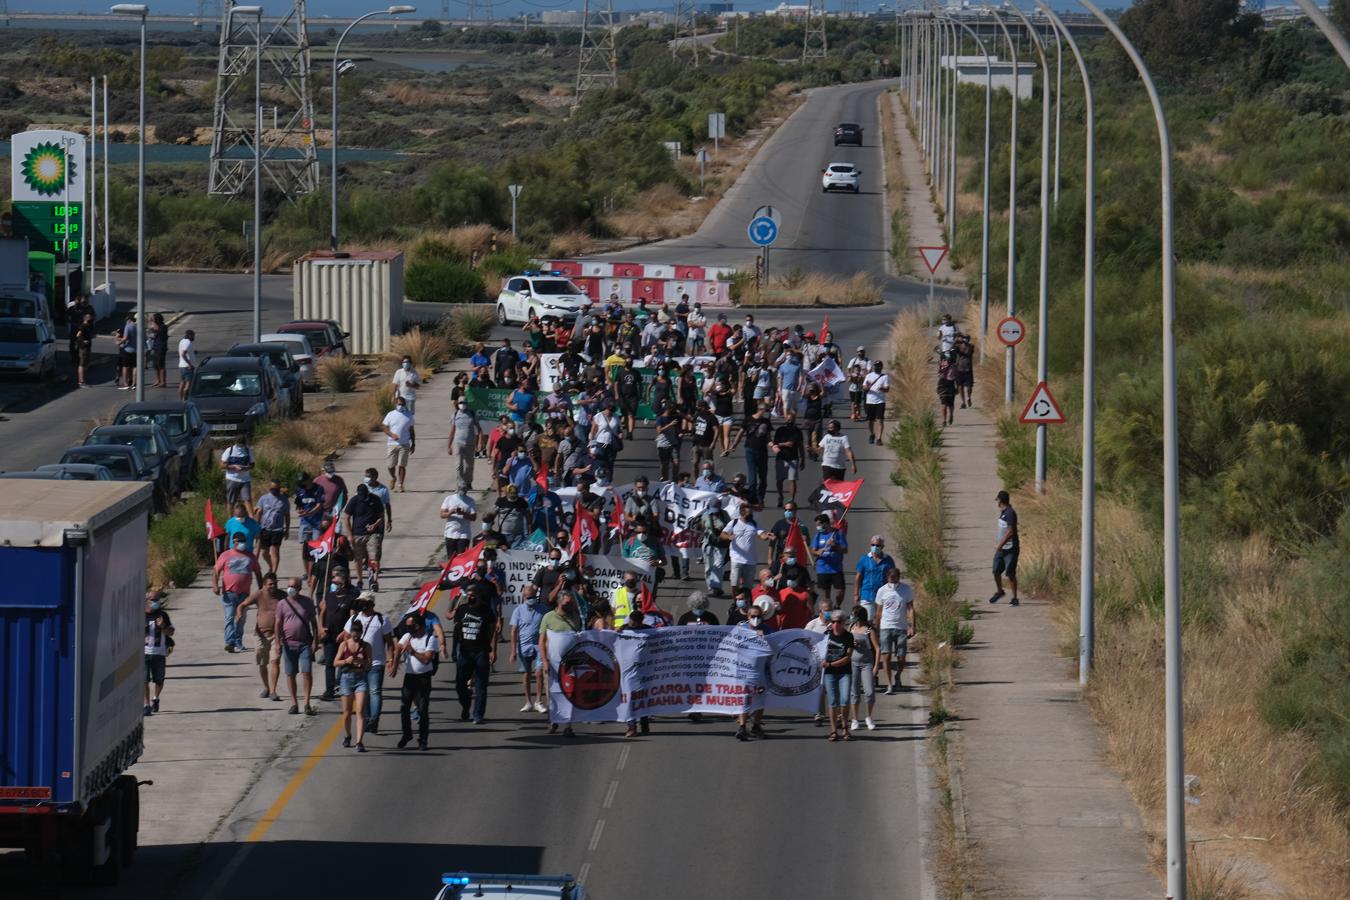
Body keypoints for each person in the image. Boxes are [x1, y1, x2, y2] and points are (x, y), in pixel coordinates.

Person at [343, 593, 394, 733]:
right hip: (358, 664)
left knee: (375, 691)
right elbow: (346, 638)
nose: (361, 605)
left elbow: (389, 642)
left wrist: (391, 660)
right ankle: (367, 718)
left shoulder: (381, 619)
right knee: (363, 693)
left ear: (371, 603)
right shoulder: (354, 618)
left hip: (376, 662)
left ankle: (373, 719)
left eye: (364, 602)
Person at [390, 613, 438, 750]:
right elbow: (398, 648)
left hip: (423, 678)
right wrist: (394, 664)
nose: (408, 628)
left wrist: (412, 651)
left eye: (410, 626)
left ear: (418, 626)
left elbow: (427, 659)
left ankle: (423, 739)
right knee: (404, 707)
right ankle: (407, 734)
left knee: (422, 709)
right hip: (409, 677)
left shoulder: (430, 639)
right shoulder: (407, 637)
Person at [540, 591, 584, 737]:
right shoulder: (548, 617)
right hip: (552, 664)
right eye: (567, 603)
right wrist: (545, 661)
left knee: (570, 693)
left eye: (571, 603)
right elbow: (541, 641)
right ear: (559, 602)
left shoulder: (575, 617)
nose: (569, 605)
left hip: (570, 665)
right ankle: (553, 721)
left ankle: (568, 725)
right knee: (552, 692)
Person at [274, 575, 319, 716]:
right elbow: (278, 623)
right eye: (289, 585)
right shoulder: (282, 604)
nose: (290, 588)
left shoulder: (307, 602)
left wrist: (315, 641)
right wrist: (277, 642)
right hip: (288, 644)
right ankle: (294, 703)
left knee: (307, 672)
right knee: (290, 674)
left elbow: (314, 624)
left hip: (305, 644)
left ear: (299, 588)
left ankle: (306, 703)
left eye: (293, 586)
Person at [235, 572, 283, 700]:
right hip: (260, 635)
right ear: (264, 585)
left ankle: (273, 691)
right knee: (262, 663)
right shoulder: (259, 594)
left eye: (275, 583)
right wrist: (239, 612)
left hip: (277, 635)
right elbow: (243, 604)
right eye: (270, 584)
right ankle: (266, 687)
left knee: (275, 661)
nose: (273, 586)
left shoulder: (282, 595)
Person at [212, 533, 263, 653]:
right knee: (229, 617)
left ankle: (238, 641)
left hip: (244, 594)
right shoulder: (226, 555)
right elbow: (215, 571)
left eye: (243, 541)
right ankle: (230, 642)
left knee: (241, 618)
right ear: (233, 542)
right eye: (239, 541)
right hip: (229, 593)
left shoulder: (251, 557)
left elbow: (258, 573)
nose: (242, 544)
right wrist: (215, 585)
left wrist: (262, 589)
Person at [454, 590, 497, 725]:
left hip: (481, 653)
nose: (471, 597)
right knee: (460, 684)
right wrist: (454, 650)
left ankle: (478, 714)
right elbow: (457, 630)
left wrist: (492, 650)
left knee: (481, 686)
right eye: (469, 595)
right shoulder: (462, 609)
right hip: (465, 653)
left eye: (474, 595)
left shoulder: (487, 611)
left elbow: (492, 630)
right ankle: (466, 705)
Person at [318, 569, 360, 701]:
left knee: (344, 663)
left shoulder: (350, 598)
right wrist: (321, 627)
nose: (333, 584)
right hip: (329, 636)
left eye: (336, 582)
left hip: (343, 637)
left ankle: (344, 688)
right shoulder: (329, 596)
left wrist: (345, 632)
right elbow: (322, 613)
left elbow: (352, 617)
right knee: (330, 663)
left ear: (342, 584)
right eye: (332, 582)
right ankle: (329, 690)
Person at [333, 614, 372, 752]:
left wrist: (363, 662)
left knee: (360, 711)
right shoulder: (344, 645)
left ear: (361, 633)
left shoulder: (366, 646)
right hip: (346, 678)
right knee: (347, 712)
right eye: (354, 632)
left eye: (358, 632)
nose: (356, 635)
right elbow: (335, 662)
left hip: (360, 678)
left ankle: (359, 741)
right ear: (351, 632)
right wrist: (346, 661)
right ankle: (348, 735)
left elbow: (369, 666)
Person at [733, 605, 771, 741]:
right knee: (743, 698)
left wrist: (764, 638)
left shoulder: (768, 631)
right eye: (753, 616)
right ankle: (742, 727)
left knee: (760, 700)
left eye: (758, 616)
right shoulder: (740, 630)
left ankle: (756, 725)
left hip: (760, 672)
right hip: (743, 672)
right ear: (748, 617)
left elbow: (775, 647)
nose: (756, 619)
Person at [875, 567, 915, 694]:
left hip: (901, 627)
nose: (893, 582)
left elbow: (911, 609)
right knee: (886, 657)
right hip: (886, 627)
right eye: (891, 579)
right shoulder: (882, 591)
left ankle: (898, 675)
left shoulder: (906, 590)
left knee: (901, 657)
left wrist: (912, 626)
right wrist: (876, 629)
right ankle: (889, 683)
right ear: (887, 578)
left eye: (895, 579)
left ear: (899, 577)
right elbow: (879, 612)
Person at [511, 587, 548, 714]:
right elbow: (514, 631)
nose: (531, 599)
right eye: (528, 597)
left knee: (539, 673)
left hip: (539, 646)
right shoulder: (518, 611)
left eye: (533, 597)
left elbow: (548, 627)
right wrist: (513, 651)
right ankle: (528, 702)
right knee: (527, 673)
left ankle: (538, 701)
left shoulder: (542, 609)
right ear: (523, 597)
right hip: (523, 646)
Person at [344, 483, 386, 591]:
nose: (363, 498)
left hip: (373, 534)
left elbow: (381, 516)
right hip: (357, 534)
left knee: (374, 557)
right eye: (361, 496)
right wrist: (349, 535)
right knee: (358, 559)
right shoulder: (354, 500)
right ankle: (359, 580)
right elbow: (346, 517)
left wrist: (375, 525)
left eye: (365, 496)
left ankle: (373, 581)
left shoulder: (375, 499)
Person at [721, 503, 774, 589]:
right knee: (734, 584)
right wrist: (728, 537)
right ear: (742, 513)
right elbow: (722, 534)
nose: (751, 515)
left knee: (748, 587)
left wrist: (767, 536)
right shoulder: (733, 523)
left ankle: (747, 601)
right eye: (749, 513)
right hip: (736, 559)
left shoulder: (754, 524)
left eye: (751, 513)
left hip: (750, 561)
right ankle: (735, 602)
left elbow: (762, 535)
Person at [822, 610, 855, 741]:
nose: (836, 624)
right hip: (830, 674)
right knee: (833, 702)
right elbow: (818, 651)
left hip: (844, 673)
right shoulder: (826, 635)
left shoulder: (848, 636)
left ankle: (845, 726)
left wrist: (830, 665)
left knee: (845, 700)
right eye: (833, 621)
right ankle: (833, 730)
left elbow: (847, 657)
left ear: (843, 623)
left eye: (838, 622)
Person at [848, 605, 880, 732]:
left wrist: (876, 665)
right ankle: (855, 719)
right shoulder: (851, 628)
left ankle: (868, 717)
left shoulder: (868, 630)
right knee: (854, 692)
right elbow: (846, 643)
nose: (851, 617)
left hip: (866, 663)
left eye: (854, 614)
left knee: (869, 691)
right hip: (853, 663)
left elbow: (877, 648)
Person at [853, 535, 896, 621]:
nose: (875, 547)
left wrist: (893, 592)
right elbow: (858, 577)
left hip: (883, 595)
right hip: (867, 594)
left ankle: (877, 634)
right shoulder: (864, 559)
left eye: (877, 545)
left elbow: (892, 576)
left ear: (882, 546)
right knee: (867, 619)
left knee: (882, 619)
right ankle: (869, 634)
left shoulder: (888, 560)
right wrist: (856, 594)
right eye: (873, 545)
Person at [144, 595, 174, 715]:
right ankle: (146, 705)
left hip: (159, 653)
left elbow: (171, 632)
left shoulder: (163, 615)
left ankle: (155, 699)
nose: (156, 602)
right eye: (153, 600)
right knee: (144, 680)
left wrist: (163, 626)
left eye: (157, 599)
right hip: (144, 653)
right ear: (147, 601)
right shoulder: (140, 615)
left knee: (159, 680)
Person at [811, 513, 848, 607]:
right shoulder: (818, 535)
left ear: (826, 524)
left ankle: (837, 606)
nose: (817, 527)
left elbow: (845, 550)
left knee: (840, 591)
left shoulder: (837, 533)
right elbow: (813, 551)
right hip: (823, 569)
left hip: (836, 569)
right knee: (825, 595)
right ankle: (828, 610)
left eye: (819, 524)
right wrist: (817, 552)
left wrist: (835, 546)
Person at [254, 478, 289, 575]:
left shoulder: (284, 500)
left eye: (277, 489)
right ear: (269, 488)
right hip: (265, 528)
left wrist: (287, 529)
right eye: (273, 488)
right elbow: (259, 513)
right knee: (264, 552)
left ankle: (274, 572)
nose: (275, 490)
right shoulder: (263, 499)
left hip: (277, 529)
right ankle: (270, 566)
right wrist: (256, 528)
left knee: (275, 551)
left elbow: (287, 515)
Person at [381, 394, 416, 492]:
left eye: (402, 404)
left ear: (405, 404)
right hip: (392, 444)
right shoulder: (390, 414)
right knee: (390, 465)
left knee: (402, 465)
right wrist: (392, 435)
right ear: (396, 404)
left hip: (404, 444)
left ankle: (401, 484)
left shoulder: (409, 415)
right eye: (399, 404)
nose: (401, 405)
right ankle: (393, 478)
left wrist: (413, 443)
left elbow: (412, 430)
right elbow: (384, 428)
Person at [990, 489, 1020, 606]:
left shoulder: (1010, 513)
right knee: (996, 570)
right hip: (1001, 548)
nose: (996, 502)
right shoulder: (1003, 512)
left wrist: (1000, 544)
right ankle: (1000, 591)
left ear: (1000, 500)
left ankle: (1014, 597)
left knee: (1010, 573)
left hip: (1010, 548)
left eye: (997, 499)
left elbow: (1010, 531)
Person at [294, 472, 325, 578]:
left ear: (309, 480)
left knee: (315, 547)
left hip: (316, 522)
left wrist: (309, 513)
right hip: (304, 522)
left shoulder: (318, 489)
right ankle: (307, 572)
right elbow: (298, 505)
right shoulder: (300, 490)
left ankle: (315, 571)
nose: (302, 484)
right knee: (305, 548)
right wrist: (299, 511)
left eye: (304, 482)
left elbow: (319, 505)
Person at [771, 410, 805, 507]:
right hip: (781, 458)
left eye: (792, 419)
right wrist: (785, 444)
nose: (790, 421)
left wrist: (803, 459)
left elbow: (801, 446)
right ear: (785, 420)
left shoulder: (798, 431)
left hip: (794, 458)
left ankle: (791, 500)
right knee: (780, 479)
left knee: (792, 479)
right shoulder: (780, 430)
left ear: (794, 420)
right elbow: (774, 444)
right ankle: (780, 496)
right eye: (788, 419)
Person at [447, 398, 480, 490]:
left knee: (469, 465)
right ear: (457, 404)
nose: (462, 404)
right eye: (460, 402)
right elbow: (452, 430)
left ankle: (468, 482)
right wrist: (449, 446)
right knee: (459, 465)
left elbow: (479, 429)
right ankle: (460, 483)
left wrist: (480, 442)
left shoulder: (472, 414)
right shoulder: (455, 414)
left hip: (470, 443)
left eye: (464, 402)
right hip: (458, 443)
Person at [440, 483, 477, 560]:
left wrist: (463, 513)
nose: (462, 491)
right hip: (450, 533)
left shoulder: (470, 501)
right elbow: (442, 514)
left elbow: (473, 517)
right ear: (457, 489)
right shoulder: (449, 498)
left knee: (462, 558)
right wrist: (451, 512)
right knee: (451, 558)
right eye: (461, 489)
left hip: (464, 534)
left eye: (464, 489)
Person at [220, 434, 255, 506]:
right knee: (231, 501)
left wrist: (245, 468)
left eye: (242, 444)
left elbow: (252, 465)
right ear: (236, 442)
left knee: (247, 500)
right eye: (239, 444)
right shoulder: (230, 450)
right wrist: (234, 467)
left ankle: (251, 517)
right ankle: (230, 517)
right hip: (232, 479)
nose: (241, 446)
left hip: (245, 479)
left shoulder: (248, 451)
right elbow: (222, 465)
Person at [862, 360, 890, 445]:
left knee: (880, 420)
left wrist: (882, 389)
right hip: (870, 401)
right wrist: (868, 386)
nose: (877, 368)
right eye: (876, 366)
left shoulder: (885, 377)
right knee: (870, 420)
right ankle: (872, 434)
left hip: (880, 401)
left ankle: (879, 438)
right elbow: (864, 388)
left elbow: (887, 389)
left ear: (881, 367)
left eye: (878, 366)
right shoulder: (869, 376)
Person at [115, 311, 137, 390]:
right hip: (136, 350)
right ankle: (134, 383)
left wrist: (119, 342)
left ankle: (126, 383)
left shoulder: (127, 327)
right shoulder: (138, 326)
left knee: (125, 367)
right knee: (134, 367)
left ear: (129, 320)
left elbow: (124, 338)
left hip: (127, 349)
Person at [73, 312, 95, 387]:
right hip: (83, 348)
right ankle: (81, 381)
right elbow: (78, 335)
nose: (91, 319)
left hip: (87, 347)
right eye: (89, 318)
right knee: (82, 364)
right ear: (85, 319)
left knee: (85, 364)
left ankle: (82, 380)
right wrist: (83, 341)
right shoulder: (83, 326)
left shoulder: (88, 326)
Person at [148, 312, 169, 388]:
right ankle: (158, 380)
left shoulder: (163, 326)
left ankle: (163, 382)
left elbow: (156, 329)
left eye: (154, 319)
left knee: (161, 365)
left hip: (161, 348)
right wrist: (151, 321)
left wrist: (152, 322)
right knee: (155, 365)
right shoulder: (156, 325)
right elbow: (151, 329)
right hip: (155, 347)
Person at [954, 333, 975, 408]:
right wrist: (955, 341)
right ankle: (963, 402)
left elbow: (967, 353)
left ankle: (969, 397)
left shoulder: (971, 346)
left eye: (967, 338)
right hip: (959, 369)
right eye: (964, 338)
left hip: (968, 369)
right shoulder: (958, 346)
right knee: (960, 386)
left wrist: (960, 347)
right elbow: (952, 350)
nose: (965, 339)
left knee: (969, 387)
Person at [937, 351, 958, 426]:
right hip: (942, 384)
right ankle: (944, 420)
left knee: (951, 403)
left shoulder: (954, 366)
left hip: (950, 384)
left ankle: (951, 415)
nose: (947, 359)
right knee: (944, 404)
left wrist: (957, 387)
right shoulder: (941, 363)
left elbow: (956, 377)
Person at [177, 328, 196, 400]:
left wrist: (193, 352)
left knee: (182, 383)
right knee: (188, 384)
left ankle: (181, 399)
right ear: (190, 335)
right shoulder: (188, 342)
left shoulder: (182, 341)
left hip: (181, 366)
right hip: (187, 367)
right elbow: (183, 354)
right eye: (193, 336)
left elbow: (186, 352)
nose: (194, 337)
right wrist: (190, 364)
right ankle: (185, 399)